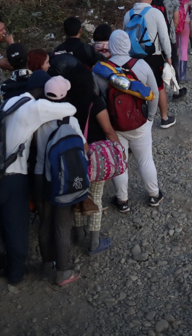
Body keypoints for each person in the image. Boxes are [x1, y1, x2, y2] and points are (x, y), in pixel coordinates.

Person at [0, 73, 77, 288]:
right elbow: (71, 109)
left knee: (3, 222)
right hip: (13, 176)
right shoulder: (35, 108)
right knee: (16, 226)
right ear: (40, 90)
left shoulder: (13, 101)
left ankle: (5, 263)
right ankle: (16, 274)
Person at [63, 61, 119, 255]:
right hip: (95, 158)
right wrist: (118, 149)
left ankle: (78, 233)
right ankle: (94, 242)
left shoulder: (64, 103)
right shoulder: (95, 102)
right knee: (96, 197)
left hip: (73, 157)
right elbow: (108, 130)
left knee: (79, 194)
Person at [34, 76, 83, 286]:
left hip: (41, 176)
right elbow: (82, 146)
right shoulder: (70, 120)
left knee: (44, 221)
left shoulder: (37, 118)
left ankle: (46, 265)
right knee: (62, 225)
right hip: (65, 180)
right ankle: (63, 272)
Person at [106, 30, 163, 211]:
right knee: (145, 159)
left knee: (120, 162)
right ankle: (154, 194)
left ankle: (122, 200)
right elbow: (153, 94)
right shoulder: (142, 66)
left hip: (114, 125)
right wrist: (150, 117)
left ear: (111, 45)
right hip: (139, 122)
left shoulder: (102, 69)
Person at [122, 0, 178, 127]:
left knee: (137, 88)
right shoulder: (155, 13)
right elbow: (164, 38)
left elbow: (124, 37)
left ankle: (139, 120)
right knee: (159, 87)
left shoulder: (128, 15)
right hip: (153, 56)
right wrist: (169, 57)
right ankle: (164, 118)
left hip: (133, 59)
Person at [170, 0, 192, 84]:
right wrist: (188, 19)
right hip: (185, 24)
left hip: (173, 24)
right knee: (184, 48)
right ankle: (182, 75)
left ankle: (174, 73)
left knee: (174, 48)